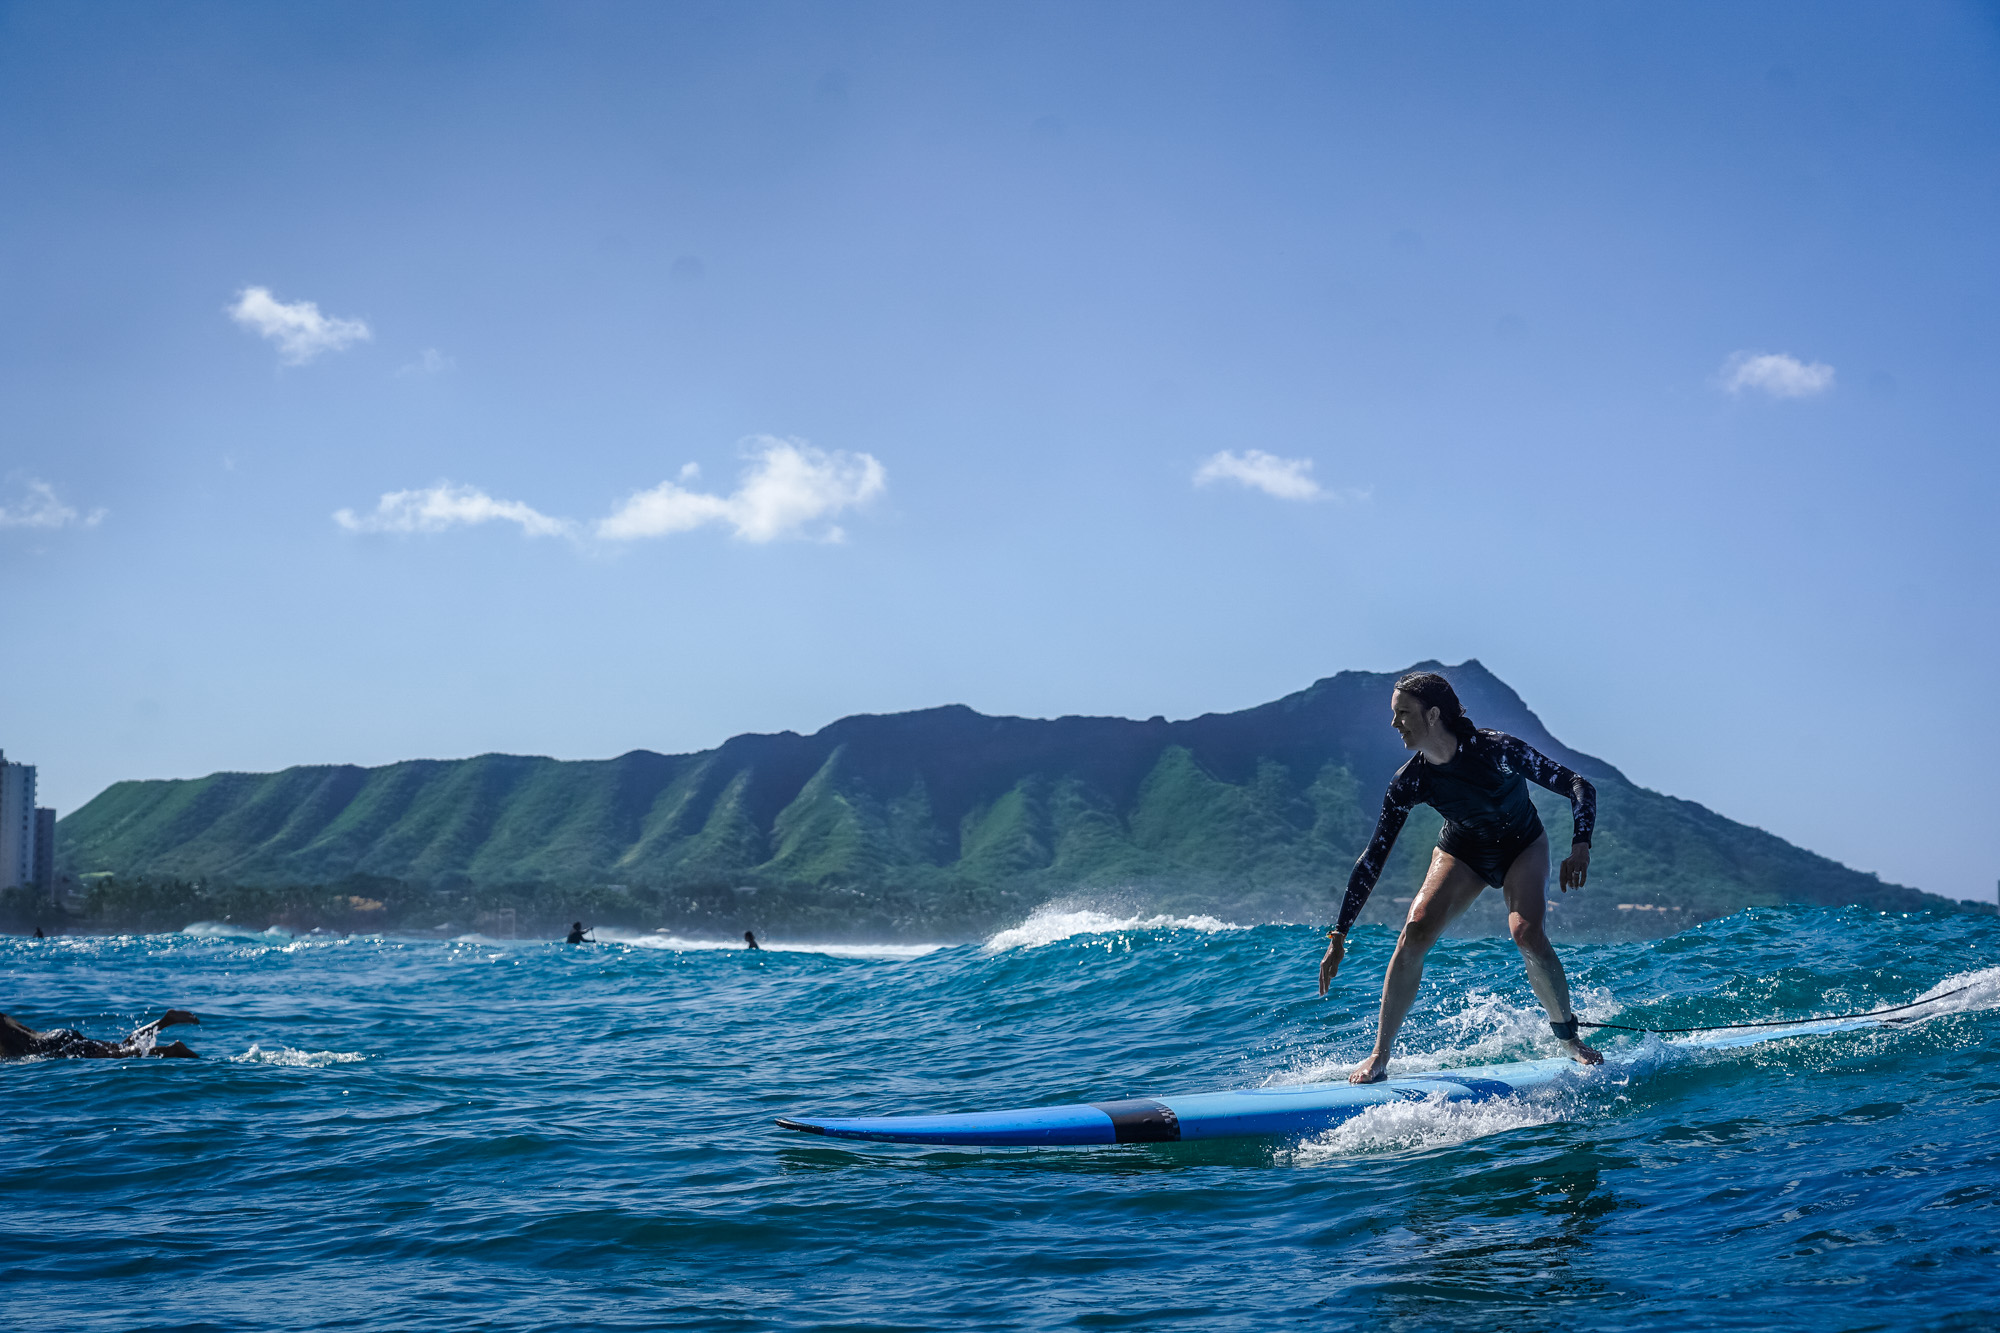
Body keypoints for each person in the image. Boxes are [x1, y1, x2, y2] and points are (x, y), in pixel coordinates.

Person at [1319, 671, 1604, 1083]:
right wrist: (1340, 934)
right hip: (1463, 851)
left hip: (1522, 844)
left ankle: (1568, 1039)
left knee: (1526, 932)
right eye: (1394, 713)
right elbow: (1373, 858)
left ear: (1433, 715)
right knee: (1414, 931)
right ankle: (1380, 1055)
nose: (1395, 723)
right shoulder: (1410, 780)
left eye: (1403, 713)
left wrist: (1581, 844)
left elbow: (1578, 784)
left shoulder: (1496, 750)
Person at [0, 1009, 200, 1060]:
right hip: (57, 1035)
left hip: (57, 1048)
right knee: (120, 1047)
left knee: (119, 1054)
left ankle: (170, 1050)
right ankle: (166, 1020)